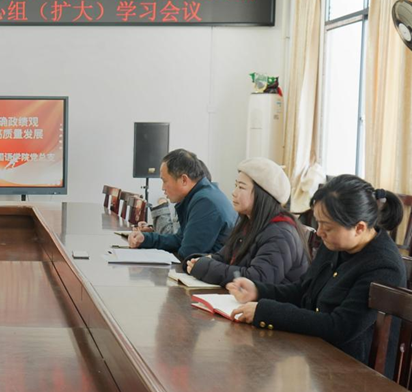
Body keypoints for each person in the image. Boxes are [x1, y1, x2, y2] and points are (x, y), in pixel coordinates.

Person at [228, 175, 406, 363]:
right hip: (316, 351)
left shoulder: (383, 266)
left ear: (359, 228)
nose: (319, 232)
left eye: (327, 227)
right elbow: (304, 290)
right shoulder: (336, 244)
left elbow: (339, 327)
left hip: (351, 367)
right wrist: (258, 291)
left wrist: (266, 312)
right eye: (318, 222)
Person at [187, 157, 310, 286]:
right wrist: (197, 261)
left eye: (241, 187)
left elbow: (257, 279)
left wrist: (205, 267)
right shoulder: (249, 223)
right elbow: (223, 257)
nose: (234, 193)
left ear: (261, 194)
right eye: (235, 186)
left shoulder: (280, 233)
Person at [128, 149, 236, 259]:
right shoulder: (200, 195)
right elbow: (180, 239)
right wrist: (145, 239)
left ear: (184, 180)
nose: (163, 188)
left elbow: (188, 253)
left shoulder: (205, 203)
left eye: (165, 181)